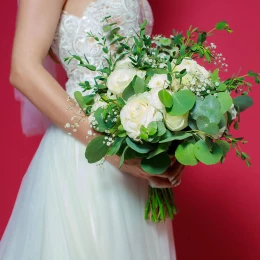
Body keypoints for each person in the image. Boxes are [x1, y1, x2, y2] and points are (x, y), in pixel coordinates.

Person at [0, 0, 184, 259]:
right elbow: (23, 69)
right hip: (86, 156)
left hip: (132, 156)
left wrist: (168, 140)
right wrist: (107, 149)